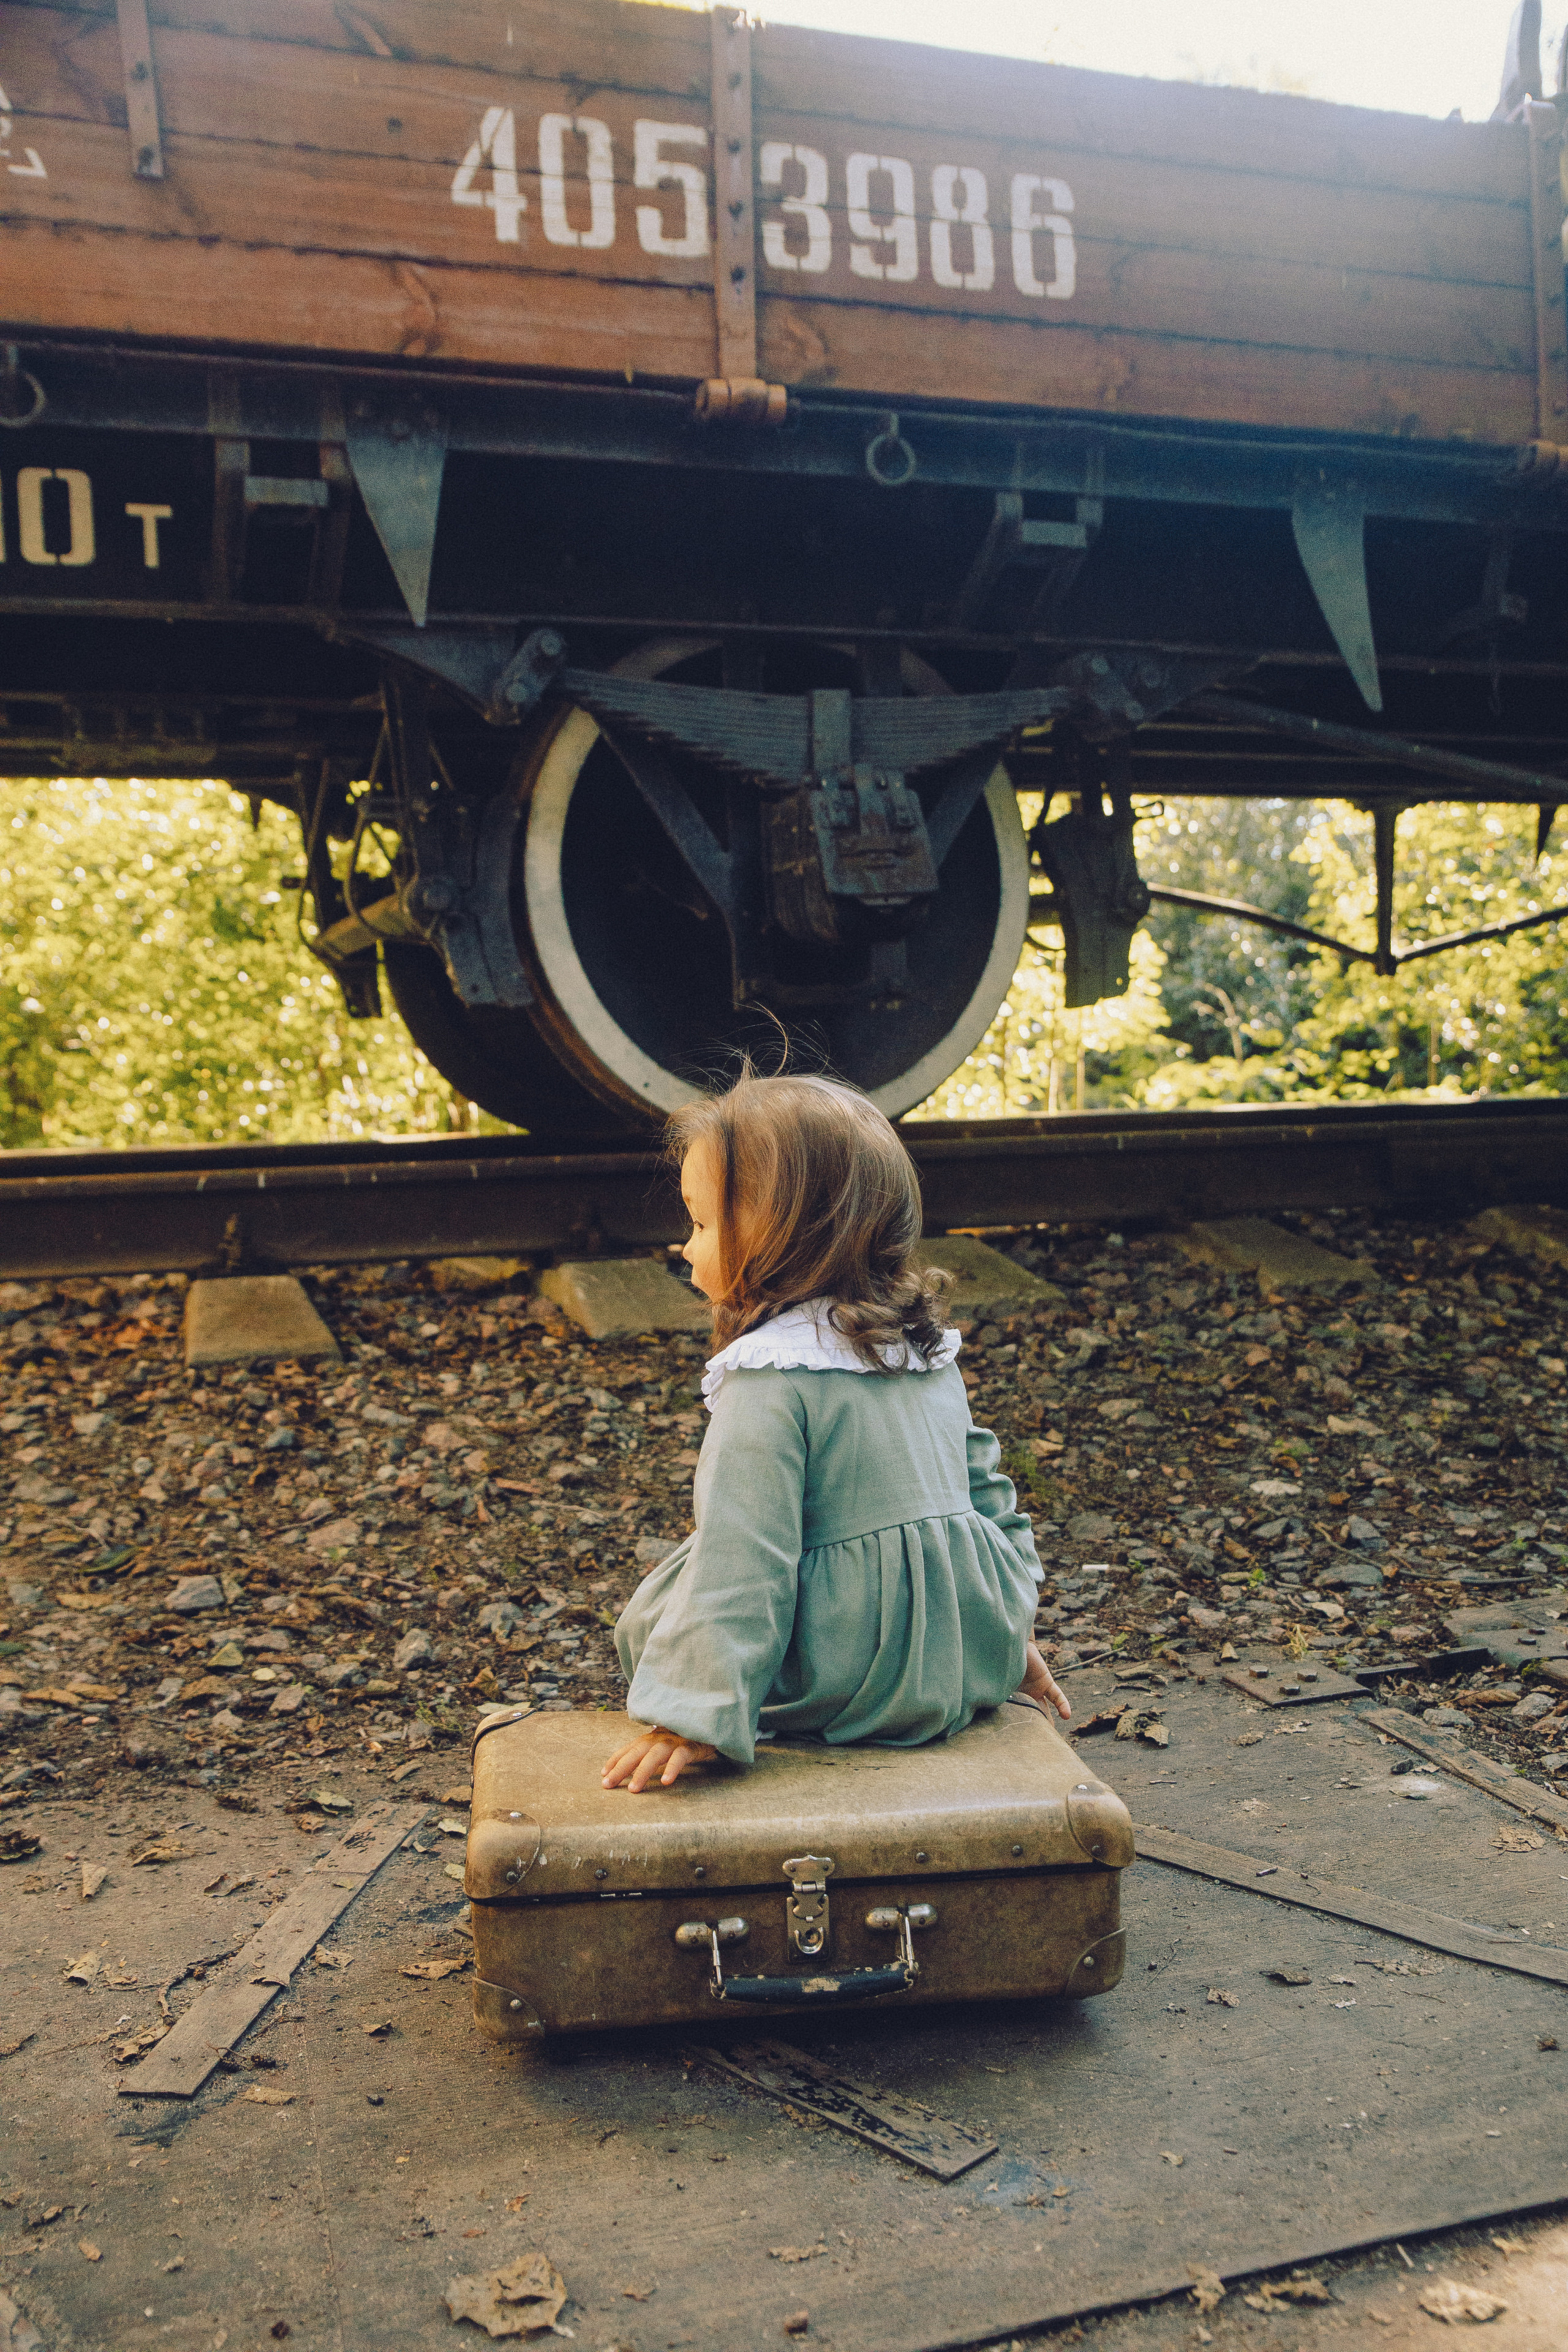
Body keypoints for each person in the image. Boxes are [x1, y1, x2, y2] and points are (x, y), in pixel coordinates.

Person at [602, 1070, 1069, 1794]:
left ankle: (725, 1694)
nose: (685, 1247)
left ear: (779, 1231)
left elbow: (745, 1555)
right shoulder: (917, 1346)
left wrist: (694, 1714)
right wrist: (1004, 1636)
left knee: (655, 1614)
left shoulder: (769, 1379)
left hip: (852, 1674)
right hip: (951, 1653)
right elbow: (987, 1499)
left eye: (700, 1223)